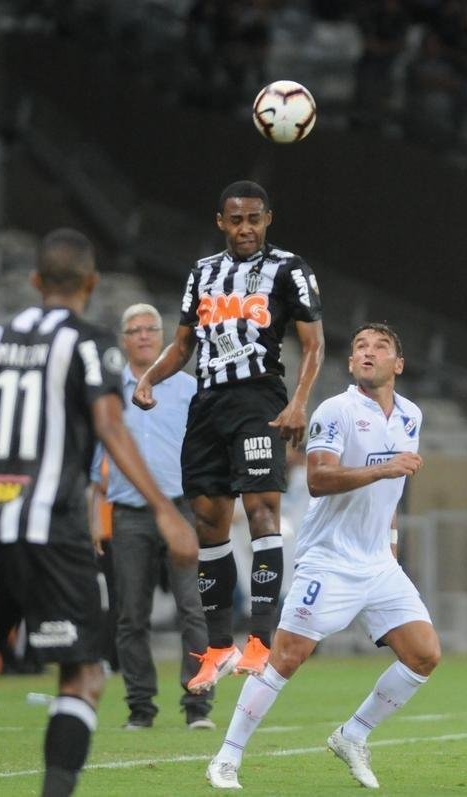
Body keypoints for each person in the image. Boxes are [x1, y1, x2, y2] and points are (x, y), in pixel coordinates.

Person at [0, 229, 199, 797]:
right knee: (81, 677)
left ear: (35, 282)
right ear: (92, 282)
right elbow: (109, 425)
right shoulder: (88, 342)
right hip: (53, 532)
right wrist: (166, 511)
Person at [205, 323, 438, 790]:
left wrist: (389, 548)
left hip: (377, 563)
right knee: (288, 656)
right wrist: (382, 467)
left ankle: (353, 735)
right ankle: (226, 757)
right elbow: (318, 479)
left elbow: (391, 495)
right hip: (329, 560)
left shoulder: (410, 415)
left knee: (424, 655)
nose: (368, 352)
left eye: (381, 346)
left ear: (399, 364)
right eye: (359, 348)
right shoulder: (336, 411)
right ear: (351, 363)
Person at [134, 180, 324, 691]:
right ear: (221, 222)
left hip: (259, 398)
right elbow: (182, 346)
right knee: (208, 519)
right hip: (209, 403)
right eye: (236, 220)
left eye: (254, 219)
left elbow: (313, 343)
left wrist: (299, 401)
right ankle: (219, 647)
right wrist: (151, 377)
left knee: (263, 510)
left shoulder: (289, 269)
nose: (246, 228)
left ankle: (261, 639)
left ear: (268, 220)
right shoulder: (202, 273)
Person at [91, 302, 214, 730]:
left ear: (162, 337)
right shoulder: (108, 390)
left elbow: (206, 449)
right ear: (123, 340)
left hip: (181, 508)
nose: (143, 335)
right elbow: (96, 456)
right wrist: (95, 512)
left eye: (150, 328)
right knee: (130, 614)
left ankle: (198, 704)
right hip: (127, 512)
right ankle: (140, 708)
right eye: (133, 329)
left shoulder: (187, 387)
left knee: (193, 608)